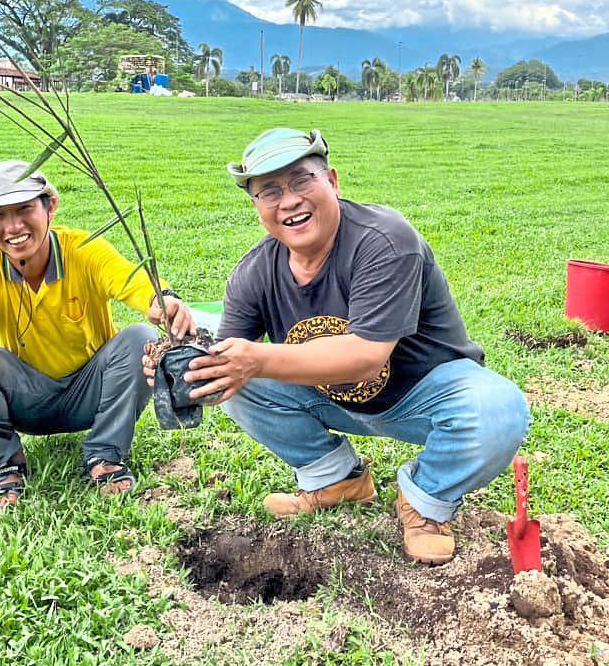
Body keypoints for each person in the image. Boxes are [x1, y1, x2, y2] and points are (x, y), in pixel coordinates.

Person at [147, 128, 529, 565]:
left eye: (300, 181)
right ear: (256, 207)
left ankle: (424, 504)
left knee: (498, 410)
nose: (288, 201)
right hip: (329, 397)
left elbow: (366, 358)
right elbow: (227, 360)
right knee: (235, 369)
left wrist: (253, 359)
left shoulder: (384, 241)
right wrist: (179, 367)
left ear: (332, 181)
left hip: (423, 395)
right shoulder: (254, 272)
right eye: (269, 191)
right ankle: (337, 480)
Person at [0, 160, 194, 510]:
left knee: (140, 337)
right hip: (26, 397)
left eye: (24, 209)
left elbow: (130, 279)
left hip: (92, 391)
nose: (13, 226)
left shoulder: (83, 248)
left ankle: (105, 454)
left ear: (50, 206)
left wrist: (162, 299)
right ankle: (4, 464)